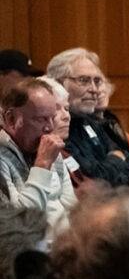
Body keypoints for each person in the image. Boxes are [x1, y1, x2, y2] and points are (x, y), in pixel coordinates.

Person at [46, 47, 129, 187]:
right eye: (84, 81)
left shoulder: (91, 122)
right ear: (59, 83)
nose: (94, 89)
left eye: (96, 81)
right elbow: (93, 181)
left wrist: (112, 166)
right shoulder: (57, 127)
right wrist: (115, 160)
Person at [0, 77, 77, 242]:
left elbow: (70, 206)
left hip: (61, 249)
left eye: (52, 118)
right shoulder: (2, 160)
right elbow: (20, 224)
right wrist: (42, 164)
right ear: (11, 119)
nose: (49, 127)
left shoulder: (46, 147)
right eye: (41, 119)